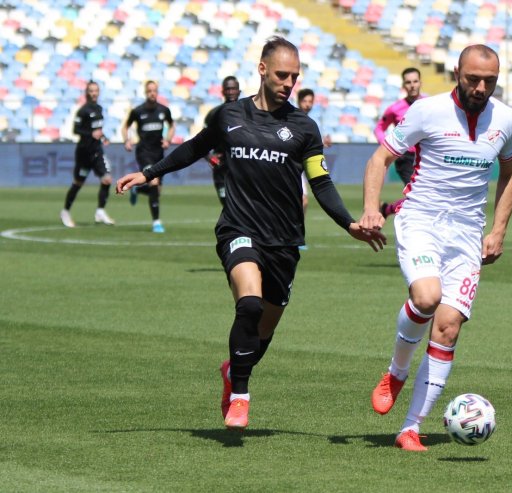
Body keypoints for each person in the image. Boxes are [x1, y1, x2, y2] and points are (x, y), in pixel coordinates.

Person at [116, 37, 386, 431]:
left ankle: (233, 371)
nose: (289, 82)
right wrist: (149, 173)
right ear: (261, 70)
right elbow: (193, 148)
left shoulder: (304, 128)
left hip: (284, 240)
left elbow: (321, 183)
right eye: (281, 74)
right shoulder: (228, 116)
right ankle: (240, 396)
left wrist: (349, 224)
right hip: (239, 229)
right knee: (250, 305)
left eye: (294, 76)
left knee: (261, 333)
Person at [359, 45, 512, 452]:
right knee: (427, 297)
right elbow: (379, 159)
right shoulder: (427, 111)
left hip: (467, 235)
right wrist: (369, 211)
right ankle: (396, 371)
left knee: (447, 328)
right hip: (422, 221)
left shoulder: (506, 120)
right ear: (456, 73)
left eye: (489, 81)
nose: (481, 88)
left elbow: (510, 172)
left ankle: (411, 428)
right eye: (472, 79)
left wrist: (498, 230)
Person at [121, 80, 175, 233]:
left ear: (157, 92)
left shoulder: (164, 110)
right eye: (149, 91)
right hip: (144, 153)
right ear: (146, 92)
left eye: (154, 91)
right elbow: (126, 126)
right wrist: (127, 140)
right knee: (154, 182)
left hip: (159, 153)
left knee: (156, 190)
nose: (152, 93)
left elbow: (172, 125)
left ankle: (136, 190)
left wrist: (168, 139)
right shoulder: (138, 111)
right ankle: (156, 222)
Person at [61, 80, 115, 227]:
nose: (93, 93)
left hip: (97, 152)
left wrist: (103, 137)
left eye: (95, 90)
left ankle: (100, 211)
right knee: (78, 183)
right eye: (90, 91)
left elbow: (98, 129)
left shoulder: (99, 108)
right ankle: (65, 211)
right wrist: (91, 134)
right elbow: (76, 130)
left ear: (99, 92)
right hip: (84, 153)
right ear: (86, 93)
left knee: (107, 180)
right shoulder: (83, 111)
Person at [373, 67, 424, 218]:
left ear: (420, 82)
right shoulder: (395, 109)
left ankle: (387, 209)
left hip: (427, 156)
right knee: (417, 196)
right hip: (406, 157)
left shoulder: (429, 104)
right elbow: (379, 128)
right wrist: (389, 146)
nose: (412, 85)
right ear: (403, 85)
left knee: (427, 197)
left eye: (415, 81)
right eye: (408, 82)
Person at [296, 88, 332, 250]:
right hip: (292, 166)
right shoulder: (293, 119)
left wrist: (323, 142)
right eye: (305, 101)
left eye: (310, 102)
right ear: (299, 101)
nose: (308, 105)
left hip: (302, 167)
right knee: (300, 201)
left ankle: (297, 235)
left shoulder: (310, 122)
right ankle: (294, 235)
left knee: (302, 201)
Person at [203, 76, 241, 207]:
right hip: (221, 169)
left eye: (233, 89)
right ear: (223, 92)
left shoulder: (249, 113)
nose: (230, 92)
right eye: (228, 89)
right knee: (227, 205)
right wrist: (209, 157)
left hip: (243, 167)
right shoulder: (215, 114)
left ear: (239, 91)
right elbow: (200, 142)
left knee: (242, 207)